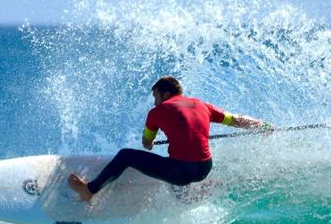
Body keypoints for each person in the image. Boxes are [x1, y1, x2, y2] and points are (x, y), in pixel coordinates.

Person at [68, 76, 273, 201]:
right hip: (204, 169)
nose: (155, 101)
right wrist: (263, 126)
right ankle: (191, 194)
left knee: (125, 156)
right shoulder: (202, 105)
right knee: (174, 165)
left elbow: (147, 145)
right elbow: (235, 120)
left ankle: (89, 190)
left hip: (180, 172)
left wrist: (150, 141)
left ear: (165, 94)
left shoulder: (158, 111)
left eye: (156, 96)